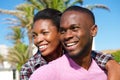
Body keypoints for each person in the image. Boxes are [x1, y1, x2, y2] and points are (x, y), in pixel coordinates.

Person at [29, 6, 120, 80]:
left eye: (74, 28)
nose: (67, 36)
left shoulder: (107, 70)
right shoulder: (45, 73)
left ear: (93, 30)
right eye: (63, 31)